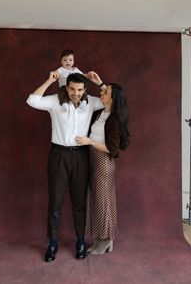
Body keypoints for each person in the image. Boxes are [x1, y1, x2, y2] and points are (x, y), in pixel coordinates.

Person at [26, 71, 105, 262]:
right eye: (72, 89)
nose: (75, 93)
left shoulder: (91, 102)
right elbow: (32, 100)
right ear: (66, 87)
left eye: (79, 89)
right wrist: (49, 80)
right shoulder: (55, 101)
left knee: (79, 203)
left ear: (85, 89)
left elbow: (111, 100)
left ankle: (80, 241)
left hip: (80, 157)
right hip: (58, 155)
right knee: (55, 203)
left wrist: (100, 82)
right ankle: (52, 243)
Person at [76, 83, 130, 255]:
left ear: (113, 99)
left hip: (103, 161)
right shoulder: (101, 113)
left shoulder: (114, 119)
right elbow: (104, 88)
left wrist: (89, 142)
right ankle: (100, 238)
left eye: (105, 92)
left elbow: (112, 149)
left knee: (103, 201)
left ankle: (106, 239)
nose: (102, 93)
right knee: (96, 200)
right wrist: (100, 82)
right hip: (93, 159)